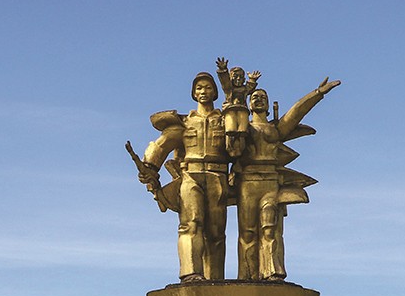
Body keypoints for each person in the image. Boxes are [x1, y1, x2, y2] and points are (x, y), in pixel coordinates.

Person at [234, 78, 340, 281]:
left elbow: (296, 112)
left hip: (270, 182)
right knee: (247, 233)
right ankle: (246, 276)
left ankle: (272, 272)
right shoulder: (242, 129)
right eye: (255, 97)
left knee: (269, 227)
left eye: (262, 97)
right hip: (246, 183)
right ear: (248, 104)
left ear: (268, 104)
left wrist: (317, 93)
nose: (258, 100)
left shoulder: (276, 130)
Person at [138, 72, 229, 282]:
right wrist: (150, 168)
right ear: (193, 94)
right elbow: (162, 144)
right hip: (191, 176)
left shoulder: (224, 121)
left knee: (216, 234)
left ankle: (215, 279)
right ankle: (190, 273)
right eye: (199, 88)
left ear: (214, 92)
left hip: (218, 176)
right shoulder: (184, 122)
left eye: (207, 87)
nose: (203, 92)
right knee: (190, 224)